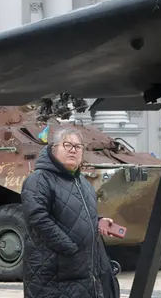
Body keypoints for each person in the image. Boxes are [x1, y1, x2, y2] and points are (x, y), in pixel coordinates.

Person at [21, 126, 120, 298]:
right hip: (53, 274)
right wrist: (69, 249)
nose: (73, 150)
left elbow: (77, 214)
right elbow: (37, 218)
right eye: (67, 145)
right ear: (54, 148)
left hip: (82, 274)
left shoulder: (83, 183)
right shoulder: (39, 179)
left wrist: (98, 221)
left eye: (78, 147)